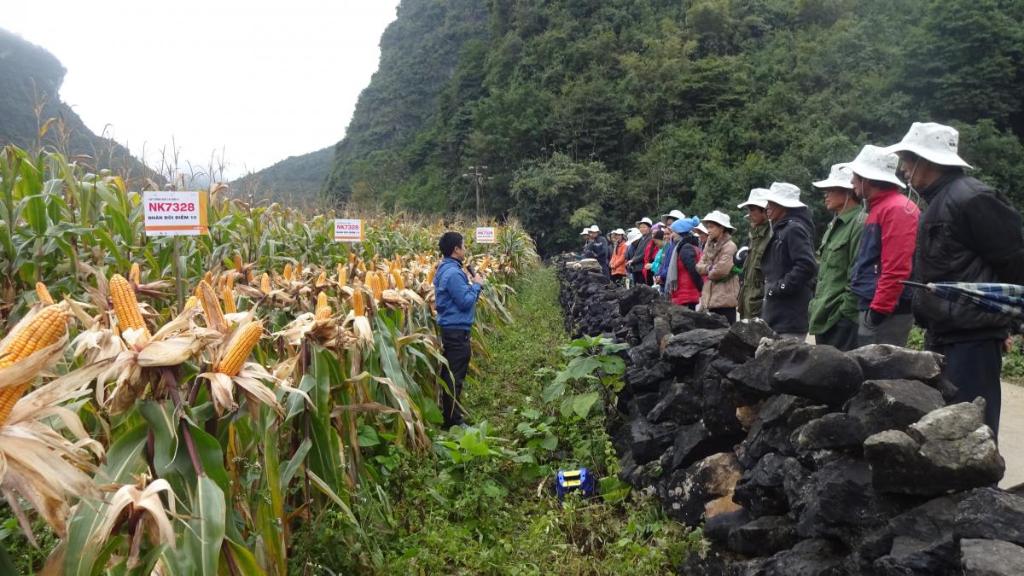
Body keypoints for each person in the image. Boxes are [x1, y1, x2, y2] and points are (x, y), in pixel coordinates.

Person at [887, 122, 1024, 435]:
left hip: (972, 339)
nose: (904, 169)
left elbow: (1014, 262)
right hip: (944, 334)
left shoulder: (973, 199)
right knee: (944, 429)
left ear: (929, 161)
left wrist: (1007, 322)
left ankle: (983, 486)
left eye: (908, 159)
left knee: (971, 430)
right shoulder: (937, 201)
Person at [847, 145, 920, 347]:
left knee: (881, 373)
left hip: (887, 313)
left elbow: (897, 267)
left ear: (868, 179)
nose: (852, 181)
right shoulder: (881, 208)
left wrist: (877, 312)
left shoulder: (896, 209)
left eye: (855, 175)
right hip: (876, 306)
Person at [807, 164, 865, 351]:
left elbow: (857, 272)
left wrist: (845, 313)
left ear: (848, 191)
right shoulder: (834, 225)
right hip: (823, 314)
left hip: (840, 319)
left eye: (831, 190)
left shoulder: (859, 223)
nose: (826, 195)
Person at [433, 231, 486, 428]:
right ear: (456, 249)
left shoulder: (446, 268)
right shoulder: (454, 273)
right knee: (455, 377)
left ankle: (451, 417)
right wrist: (477, 286)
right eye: (463, 246)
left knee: (451, 375)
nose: (465, 250)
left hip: (452, 330)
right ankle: (453, 422)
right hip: (456, 332)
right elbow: (465, 302)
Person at [761, 182, 818, 340]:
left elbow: (806, 265)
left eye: (772, 203)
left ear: (784, 206)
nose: (767, 206)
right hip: (779, 315)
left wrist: (779, 287)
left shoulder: (793, 229)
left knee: (786, 363)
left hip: (789, 316)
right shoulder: (782, 229)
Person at [696, 211, 741, 323]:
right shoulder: (709, 245)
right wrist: (710, 268)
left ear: (722, 228)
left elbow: (720, 271)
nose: (708, 230)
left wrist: (708, 269)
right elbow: (698, 267)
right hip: (710, 300)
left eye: (711, 227)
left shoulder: (730, 246)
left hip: (725, 300)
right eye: (708, 227)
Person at [737, 188, 772, 320]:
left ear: (764, 210)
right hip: (748, 300)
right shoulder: (754, 236)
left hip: (760, 303)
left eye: (752, 210)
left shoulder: (771, 235)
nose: (749, 214)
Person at [666, 217, 703, 308]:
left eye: (673, 232)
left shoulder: (685, 248)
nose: (671, 235)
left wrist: (701, 288)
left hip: (686, 295)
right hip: (684, 294)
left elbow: (693, 270)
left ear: (680, 232)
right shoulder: (682, 247)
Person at [628, 217, 654, 285]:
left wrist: (633, 260)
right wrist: (633, 259)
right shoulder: (641, 238)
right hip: (637, 267)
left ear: (649, 228)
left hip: (643, 267)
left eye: (644, 227)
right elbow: (637, 252)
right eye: (640, 227)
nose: (642, 229)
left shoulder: (650, 238)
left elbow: (645, 253)